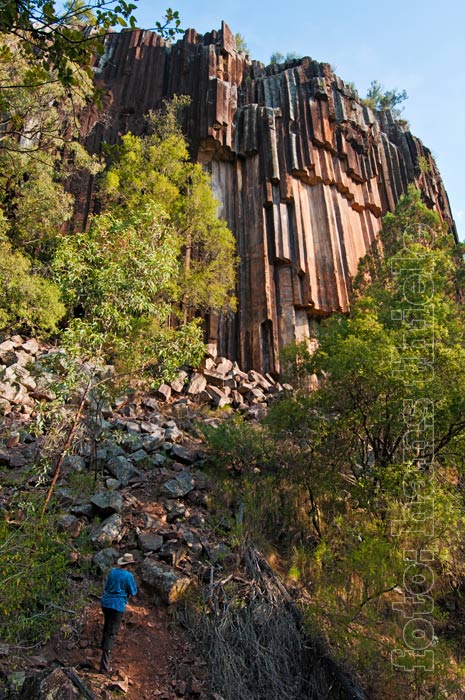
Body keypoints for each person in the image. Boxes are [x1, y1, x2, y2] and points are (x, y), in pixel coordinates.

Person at [99, 552, 137, 674]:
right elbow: (133, 591)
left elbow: (106, 587)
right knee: (112, 633)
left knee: (107, 627)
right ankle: (104, 666)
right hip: (117, 605)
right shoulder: (128, 576)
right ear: (129, 564)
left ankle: (102, 647)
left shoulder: (113, 572)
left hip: (106, 603)